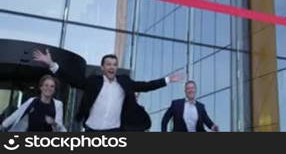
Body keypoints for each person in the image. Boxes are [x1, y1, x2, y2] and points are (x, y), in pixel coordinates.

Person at [33, 49, 183, 132]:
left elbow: (145, 86)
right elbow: (73, 80)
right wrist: (52, 64)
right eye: (108, 64)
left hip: (114, 131)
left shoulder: (124, 82)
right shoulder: (94, 82)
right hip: (92, 129)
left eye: (114, 64)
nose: (112, 67)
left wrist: (167, 80)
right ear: (102, 68)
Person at [0, 75, 66, 132]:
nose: (49, 88)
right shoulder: (32, 101)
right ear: (41, 87)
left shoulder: (58, 104)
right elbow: (16, 114)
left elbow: (59, 126)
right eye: (46, 85)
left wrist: (53, 122)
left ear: (54, 90)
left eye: (52, 86)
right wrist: (3, 126)